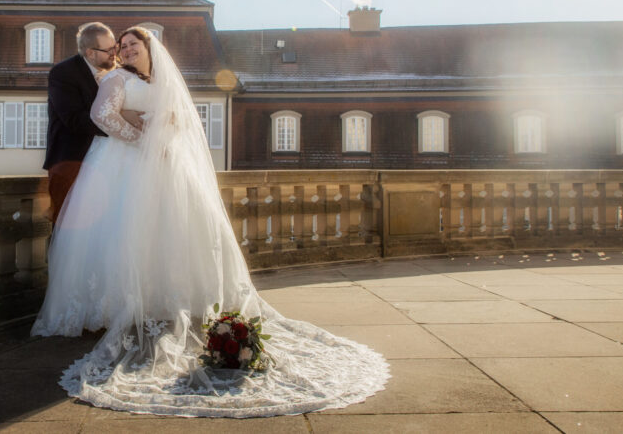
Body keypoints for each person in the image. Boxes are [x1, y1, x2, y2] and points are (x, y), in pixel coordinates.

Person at [32, 27, 390, 418]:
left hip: (165, 167)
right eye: (122, 46)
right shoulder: (116, 78)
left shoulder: (165, 82)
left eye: (134, 44)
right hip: (123, 165)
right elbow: (100, 115)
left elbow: (181, 123)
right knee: (123, 234)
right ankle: (115, 306)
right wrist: (143, 140)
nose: (126, 50)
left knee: (170, 233)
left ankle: (170, 298)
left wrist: (163, 135)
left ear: (150, 47)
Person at [42, 22, 118, 225]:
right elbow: (74, 119)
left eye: (115, 47)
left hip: (107, 164)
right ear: (90, 53)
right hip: (70, 162)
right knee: (66, 226)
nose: (115, 54)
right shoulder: (63, 73)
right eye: (109, 50)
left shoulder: (118, 73)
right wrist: (121, 126)